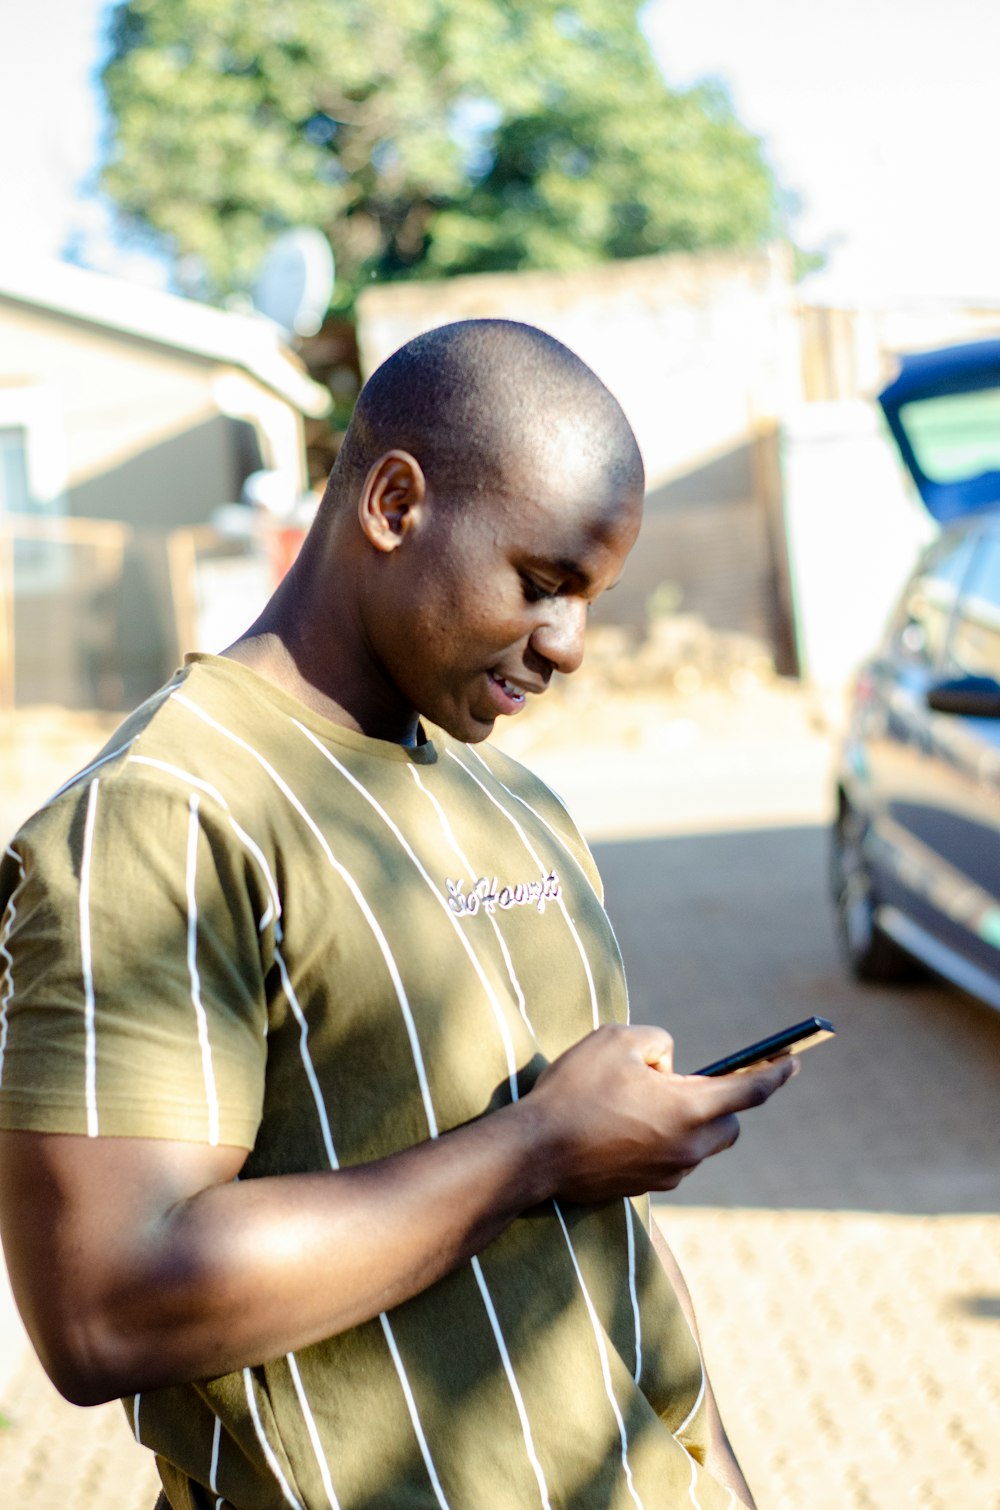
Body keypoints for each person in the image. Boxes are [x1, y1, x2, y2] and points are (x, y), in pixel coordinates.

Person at [0, 320, 795, 1510]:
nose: (570, 645)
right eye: (541, 583)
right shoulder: (160, 819)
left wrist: (718, 1477)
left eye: (593, 598)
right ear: (392, 502)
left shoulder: (516, 800)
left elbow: (606, 1250)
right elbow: (106, 1305)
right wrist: (537, 1146)